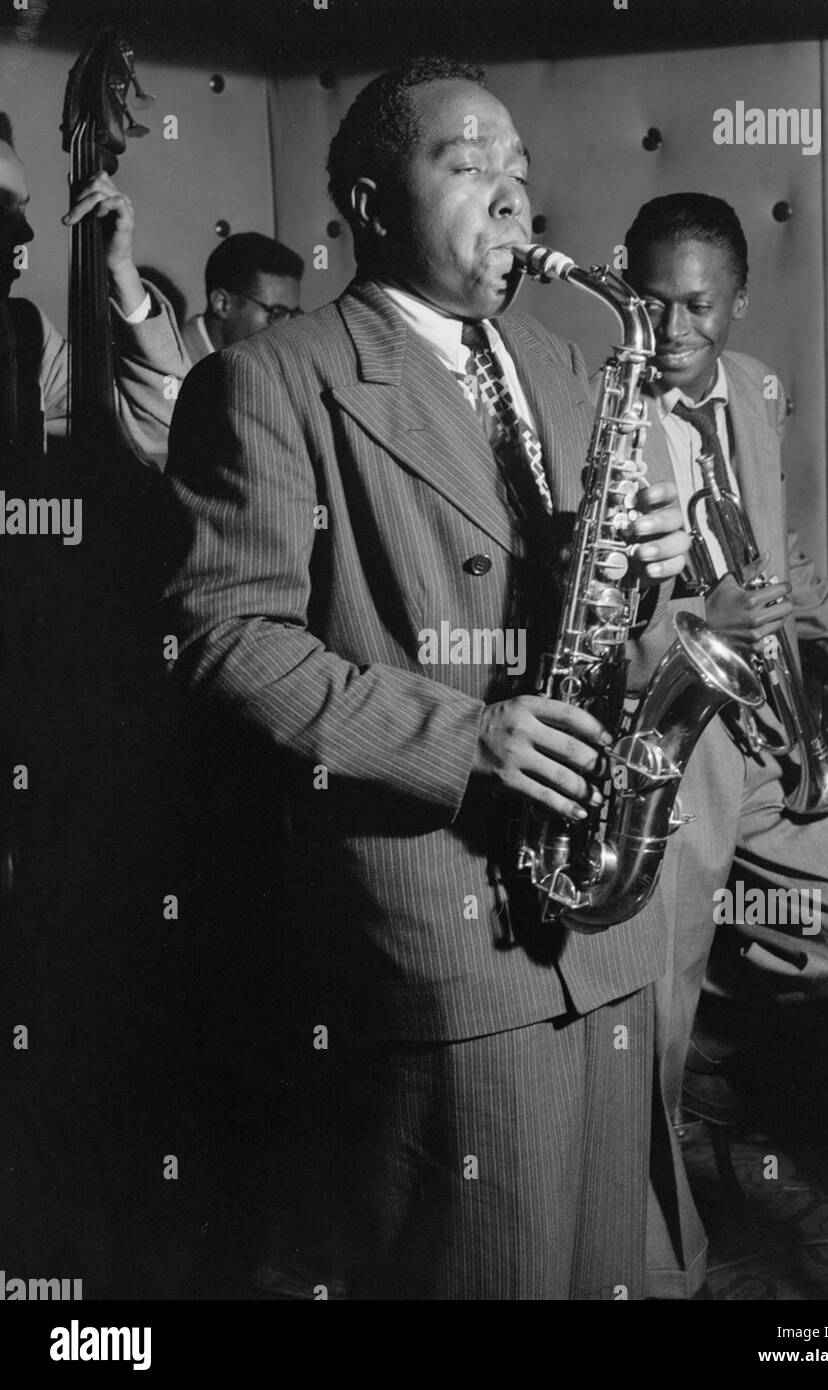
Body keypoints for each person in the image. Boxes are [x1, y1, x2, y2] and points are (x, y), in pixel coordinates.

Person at [162, 58, 693, 1301]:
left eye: (519, 174)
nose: (512, 201)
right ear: (367, 203)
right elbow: (224, 640)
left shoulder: (569, 371)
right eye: (467, 168)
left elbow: (604, 615)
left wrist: (654, 564)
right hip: (445, 917)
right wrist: (466, 740)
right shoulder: (267, 378)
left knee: (607, 1271)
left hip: (607, 920)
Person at [618, 192, 828, 1295]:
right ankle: (665, 1268)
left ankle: (706, 1046)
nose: (672, 327)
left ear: (737, 299)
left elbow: (773, 552)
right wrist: (700, 626)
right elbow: (582, 604)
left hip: (765, 734)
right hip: (677, 744)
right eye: (650, 301)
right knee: (639, 1029)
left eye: (697, 304)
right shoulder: (598, 405)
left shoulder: (752, 389)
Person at [0, 111, 186, 473]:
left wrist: (119, 268)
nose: (26, 233)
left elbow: (160, 423)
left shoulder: (23, 331)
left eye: (23, 208)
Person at [180, 231, 303, 365]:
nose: (286, 332)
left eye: (292, 315)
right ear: (222, 304)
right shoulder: (171, 368)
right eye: (276, 314)